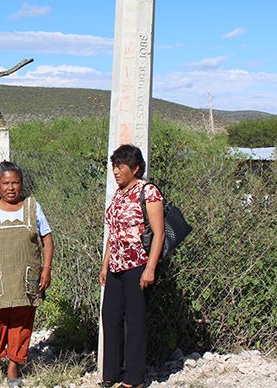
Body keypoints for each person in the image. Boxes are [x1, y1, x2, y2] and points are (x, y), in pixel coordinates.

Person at [0, 161, 54, 388]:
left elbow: (47, 238)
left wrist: (46, 269)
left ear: (22, 184)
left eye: (15, 182)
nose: (11, 187)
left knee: (21, 324)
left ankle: (13, 370)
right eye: (6, 183)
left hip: (26, 278)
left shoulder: (33, 206)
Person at [99, 144, 165, 388]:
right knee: (111, 316)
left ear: (136, 168)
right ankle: (111, 374)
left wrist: (150, 268)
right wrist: (105, 265)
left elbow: (158, 234)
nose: (116, 171)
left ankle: (133, 379)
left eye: (122, 166)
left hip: (138, 264)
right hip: (116, 265)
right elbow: (112, 233)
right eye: (114, 166)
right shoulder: (118, 193)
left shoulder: (148, 192)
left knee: (135, 321)